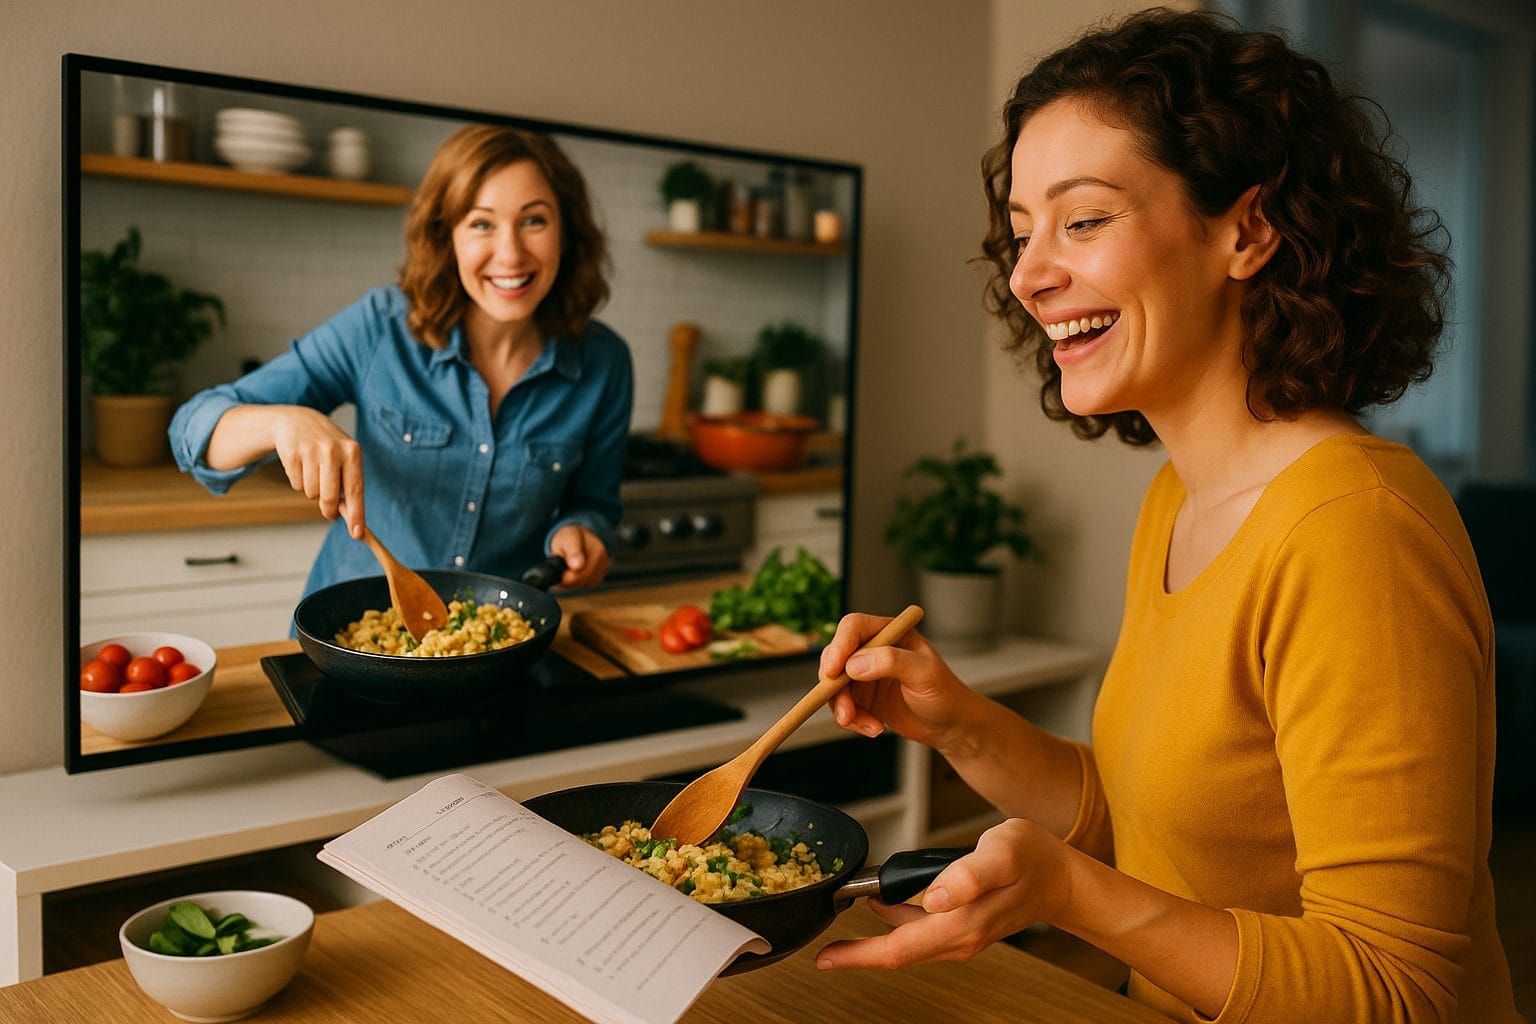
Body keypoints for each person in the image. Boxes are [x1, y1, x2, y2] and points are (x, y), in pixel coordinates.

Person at [816, 9, 1522, 1022]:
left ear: (1249, 230)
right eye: (1021, 234)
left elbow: (1392, 989)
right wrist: (962, 726)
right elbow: (1160, 827)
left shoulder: (1355, 531)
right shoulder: (1178, 498)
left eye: (1084, 219)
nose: (1027, 274)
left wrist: (1069, 892)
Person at [170, 124, 632, 596]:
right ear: (446, 235)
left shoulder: (604, 363)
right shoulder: (380, 328)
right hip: (354, 638)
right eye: (481, 223)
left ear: (566, 230)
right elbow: (191, 428)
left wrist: (584, 533)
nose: (510, 254)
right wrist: (281, 423)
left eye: (534, 220)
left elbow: (594, 503)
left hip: (497, 642)